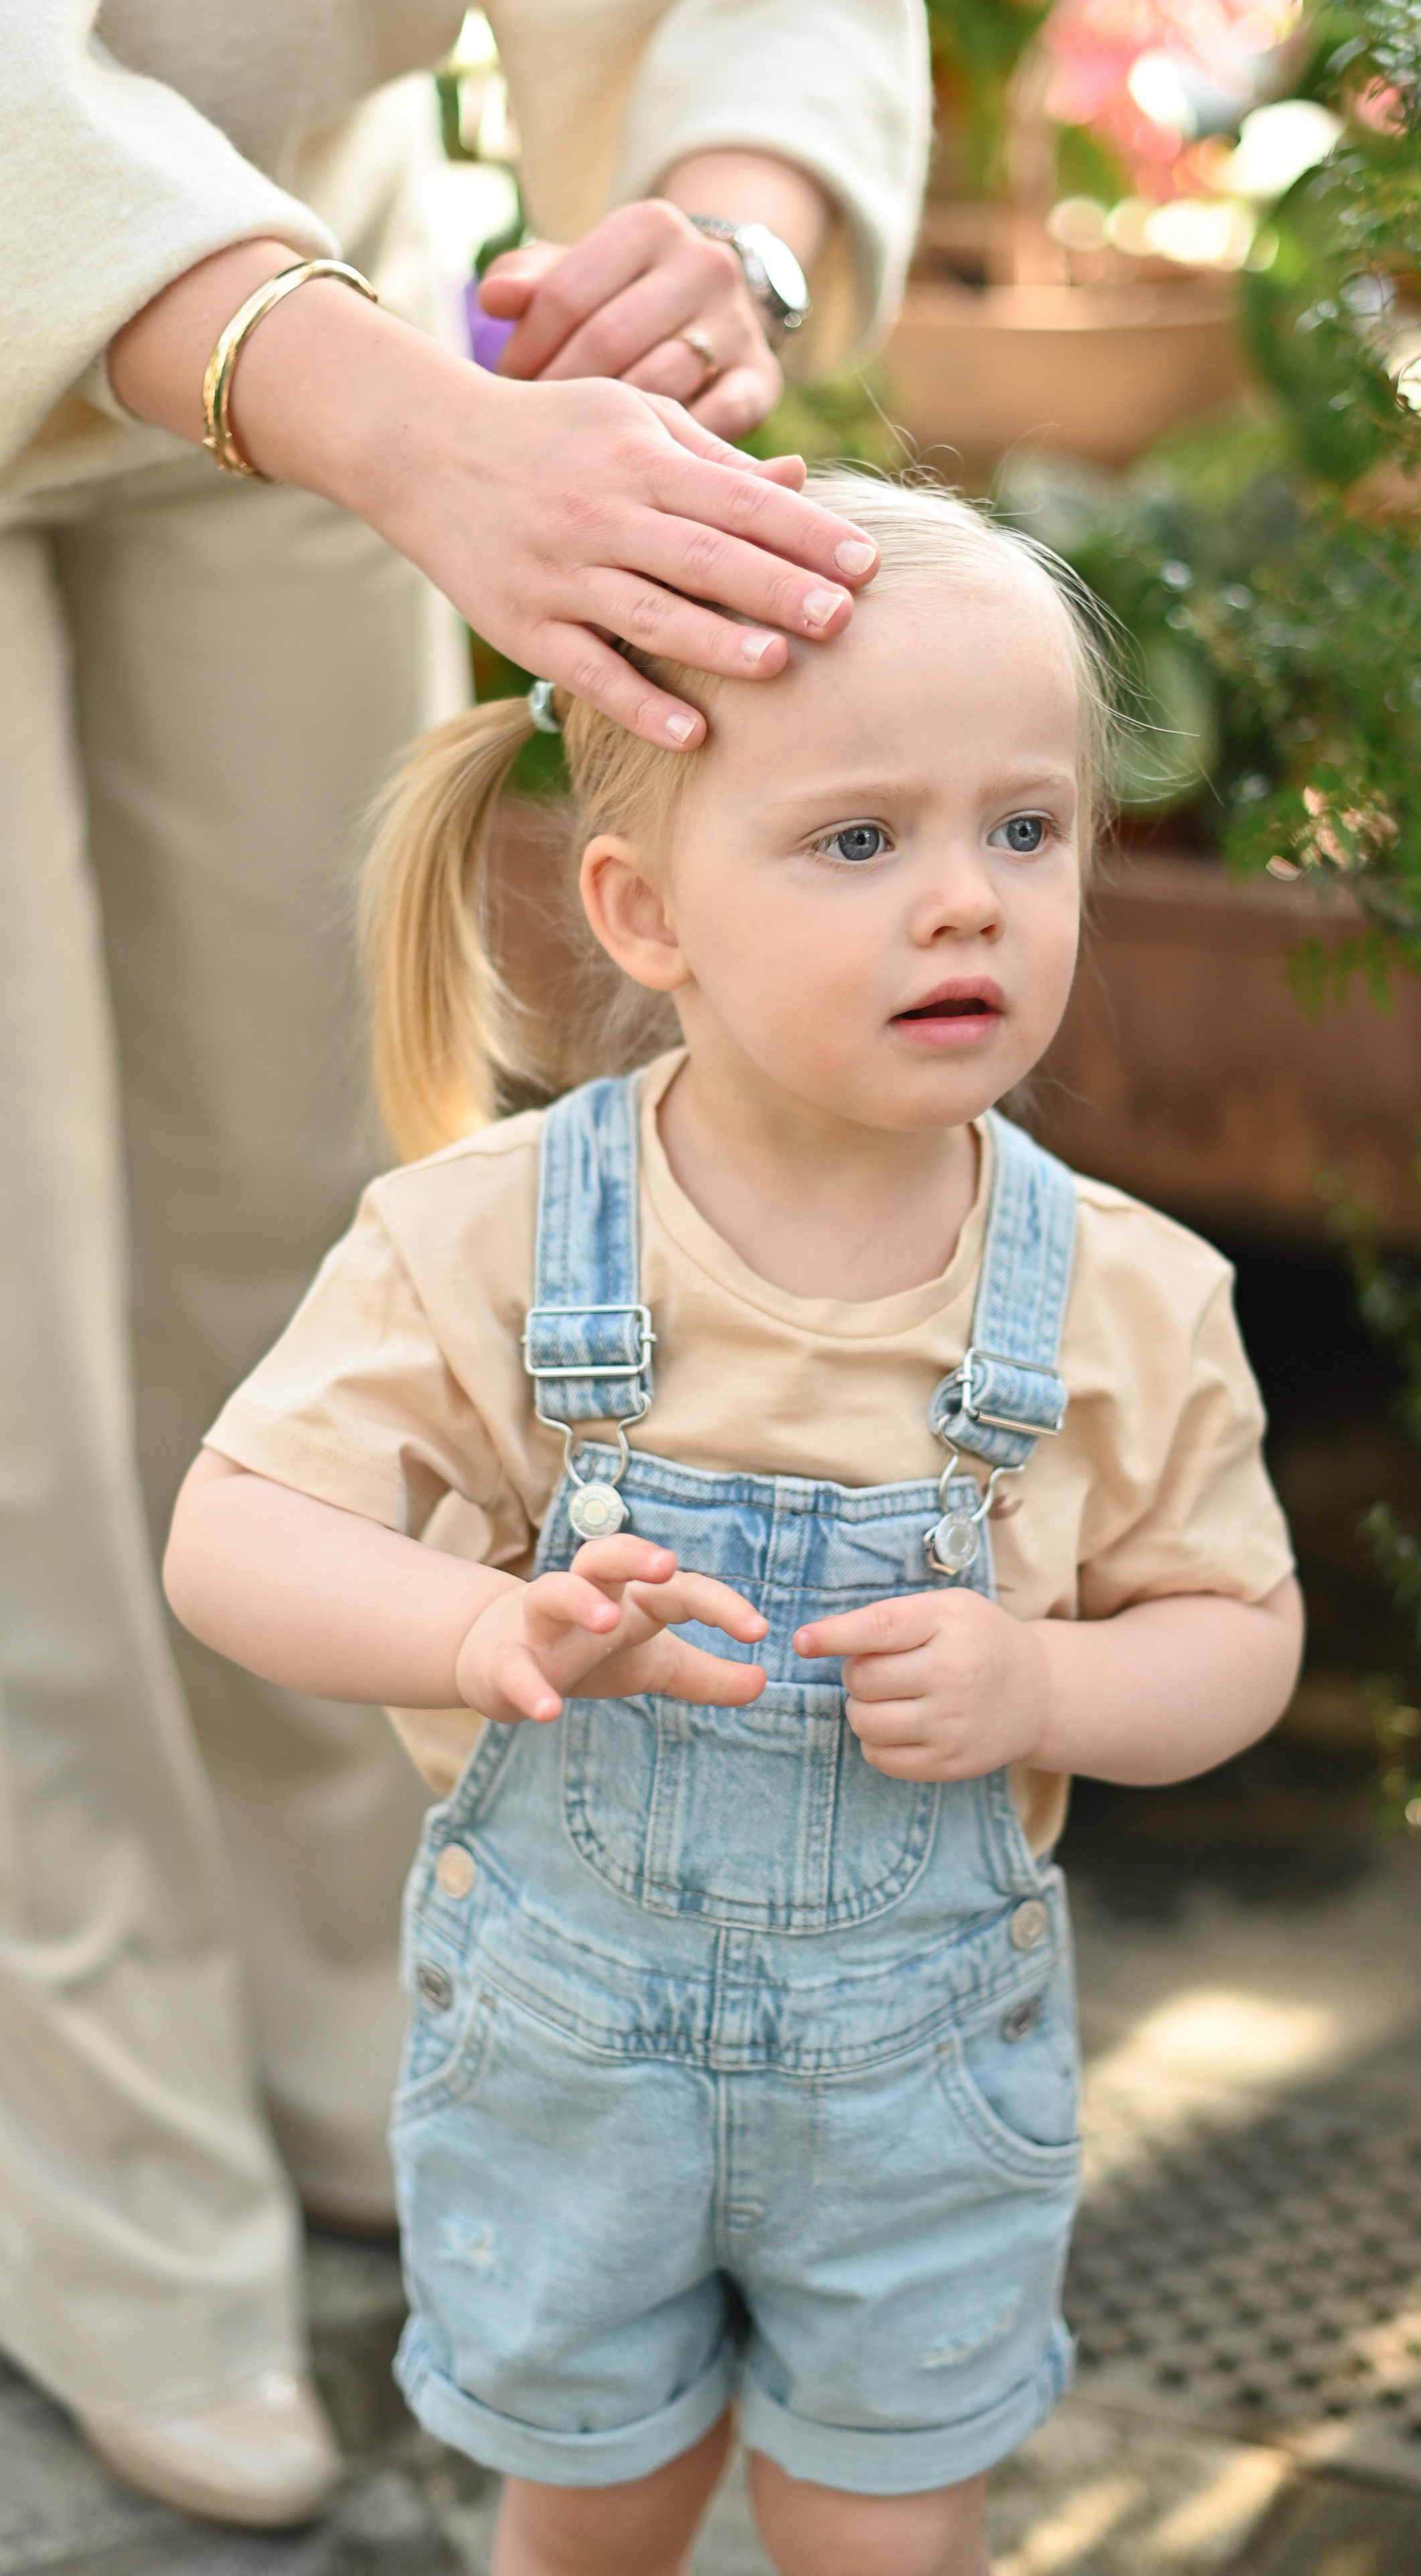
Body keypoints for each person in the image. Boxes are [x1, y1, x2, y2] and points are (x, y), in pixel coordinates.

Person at [163, 471, 1304, 2575]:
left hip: (917, 2111)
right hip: (565, 2082)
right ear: (644, 911)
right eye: (862, 840)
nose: (966, 902)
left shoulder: (1130, 1298)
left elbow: (1237, 1641)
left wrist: (1054, 1677)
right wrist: (477, 1630)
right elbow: (231, 1535)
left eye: (1027, 829)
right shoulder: (496, 1242)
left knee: (885, 2538)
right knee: (590, 2515)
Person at [1, 0, 928, 2526]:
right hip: (248, 316)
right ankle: (95, 2173)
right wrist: (410, 428)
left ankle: (347, 2025)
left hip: (323, 294)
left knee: (315, 1277)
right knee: (15, 1395)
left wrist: (724, 230)